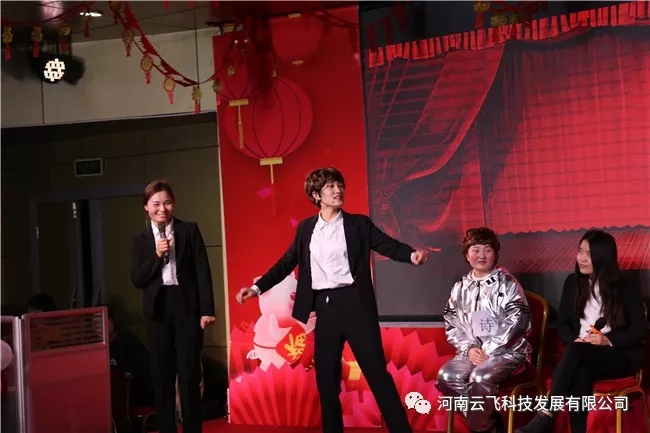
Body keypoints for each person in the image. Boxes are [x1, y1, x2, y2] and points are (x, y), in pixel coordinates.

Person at [235, 167, 428, 433]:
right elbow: (285, 263)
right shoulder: (306, 229)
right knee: (326, 381)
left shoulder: (359, 224)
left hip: (356, 304)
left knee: (376, 374)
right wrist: (256, 289)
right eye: (330, 187)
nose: (338, 191)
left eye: (340, 185)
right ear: (316, 195)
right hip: (324, 308)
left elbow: (387, 245)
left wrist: (411, 255)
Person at [516, 230, 645, 433]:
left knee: (577, 354)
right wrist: (575, 340)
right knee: (580, 371)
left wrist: (606, 340)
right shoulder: (573, 282)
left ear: (603, 257)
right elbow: (563, 324)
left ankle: (546, 414)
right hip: (582, 353)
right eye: (580, 251)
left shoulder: (626, 284)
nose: (581, 258)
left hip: (618, 356)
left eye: (588, 254)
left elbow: (638, 331)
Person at [131, 180, 216, 433]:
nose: (162, 209)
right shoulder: (140, 239)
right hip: (158, 309)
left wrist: (207, 309)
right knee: (162, 375)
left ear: (174, 204)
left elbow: (202, 271)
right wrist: (156, 255)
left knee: (189, 374)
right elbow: (137, 279)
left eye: (167, 203)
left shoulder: (189, 230)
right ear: (146, 207)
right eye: (156, 204)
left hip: (186, 306)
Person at [436, 227, 531, 433]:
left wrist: (488, 349)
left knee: (479, 377)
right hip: (471, 352)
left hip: (507, 352)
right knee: (446, 377)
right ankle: (487, 423)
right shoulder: (460, 287)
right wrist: (469, 348)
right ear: (467, 254)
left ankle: (482, 426)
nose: (481, 255)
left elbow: (517, 322)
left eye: (487, 250)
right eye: (475, 250)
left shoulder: (507, 283)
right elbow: (452, 322)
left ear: (495, 254)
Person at [105, 305, 154, 408]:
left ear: (113, 320)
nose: (101, 326)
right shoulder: (95, 348)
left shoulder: (129, 342)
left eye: (105, 320)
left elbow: (144, 373)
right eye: (95, 323)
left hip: (133, 398)